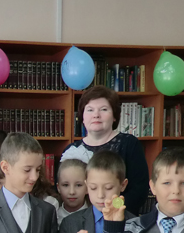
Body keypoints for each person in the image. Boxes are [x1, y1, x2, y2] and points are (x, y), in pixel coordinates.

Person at [63, 86, 149, 215]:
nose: (96, 115)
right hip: (80, 220)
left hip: (121, 217)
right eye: (90, 110)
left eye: (103, 109)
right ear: (82, 116)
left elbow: (139, 191)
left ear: (114, 116)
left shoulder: (129, 144)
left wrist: (110, 210)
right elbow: (62, 188)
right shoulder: (71, 150)